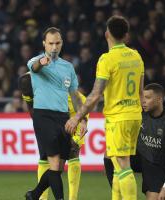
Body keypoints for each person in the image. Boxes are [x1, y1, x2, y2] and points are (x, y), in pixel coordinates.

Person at [65, 15, 144, 200]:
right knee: (115, 162)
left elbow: (95, 95)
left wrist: (77, 116)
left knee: (123, 165)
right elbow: (141, 92)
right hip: (135, 115)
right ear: (126, 35)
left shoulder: (106, 59)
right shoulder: (136, 56)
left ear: (107, 34)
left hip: (118, 117)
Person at [24, 27, 87, 200]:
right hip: (43, 116)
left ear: (62, 43)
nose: (54, 47)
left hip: (63, 117)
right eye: (50, 43)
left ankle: (34, 194)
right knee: (53, 162)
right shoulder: (36, 61)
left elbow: (75, 96)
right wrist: (42, 63)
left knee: (58, 167)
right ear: (44, 43)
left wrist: (81, 119)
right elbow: (34, 69)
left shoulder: (68, 67)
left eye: (57, 43)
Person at [18, 72, 89, 200]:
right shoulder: (28, 84)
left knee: (72, 152)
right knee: (48, 159)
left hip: (75, 117)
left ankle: (71, 198)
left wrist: (78, 132)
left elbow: (83, 108)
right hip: (52, 120)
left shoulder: (69, 95)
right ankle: (39, 197)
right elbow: (31, 108)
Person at [128, 83, 165, 200]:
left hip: (157, 164)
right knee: (110, 154)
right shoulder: (138, 114)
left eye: (147, 98)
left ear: (159, 99)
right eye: (142, 97)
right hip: (138, 157)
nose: (143, 101)